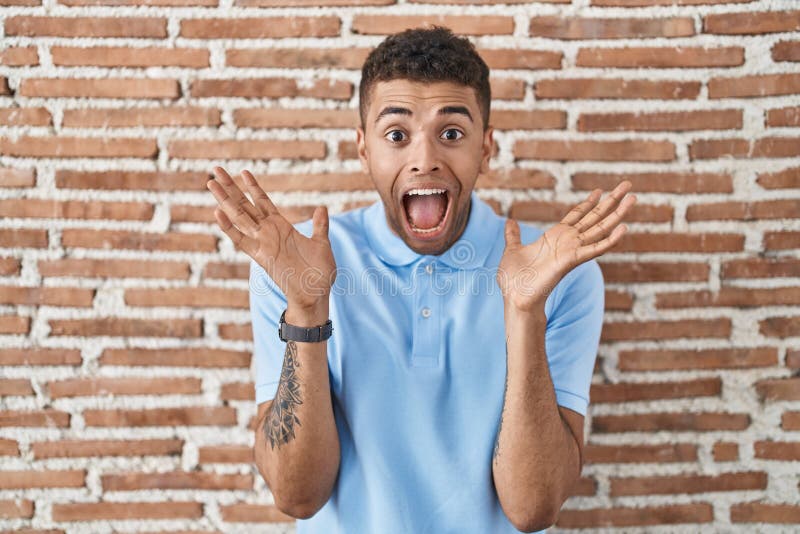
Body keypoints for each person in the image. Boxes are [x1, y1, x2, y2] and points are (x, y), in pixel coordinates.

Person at [206, 25, 636, 534]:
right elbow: (296, 495)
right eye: (396, 135)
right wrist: (306, 309)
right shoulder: (294, 262)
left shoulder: (562, 271)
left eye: (451, 133)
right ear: (363, 149)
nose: (425, 158)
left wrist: (524, 313)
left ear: (486, 148)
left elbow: (533, 507)